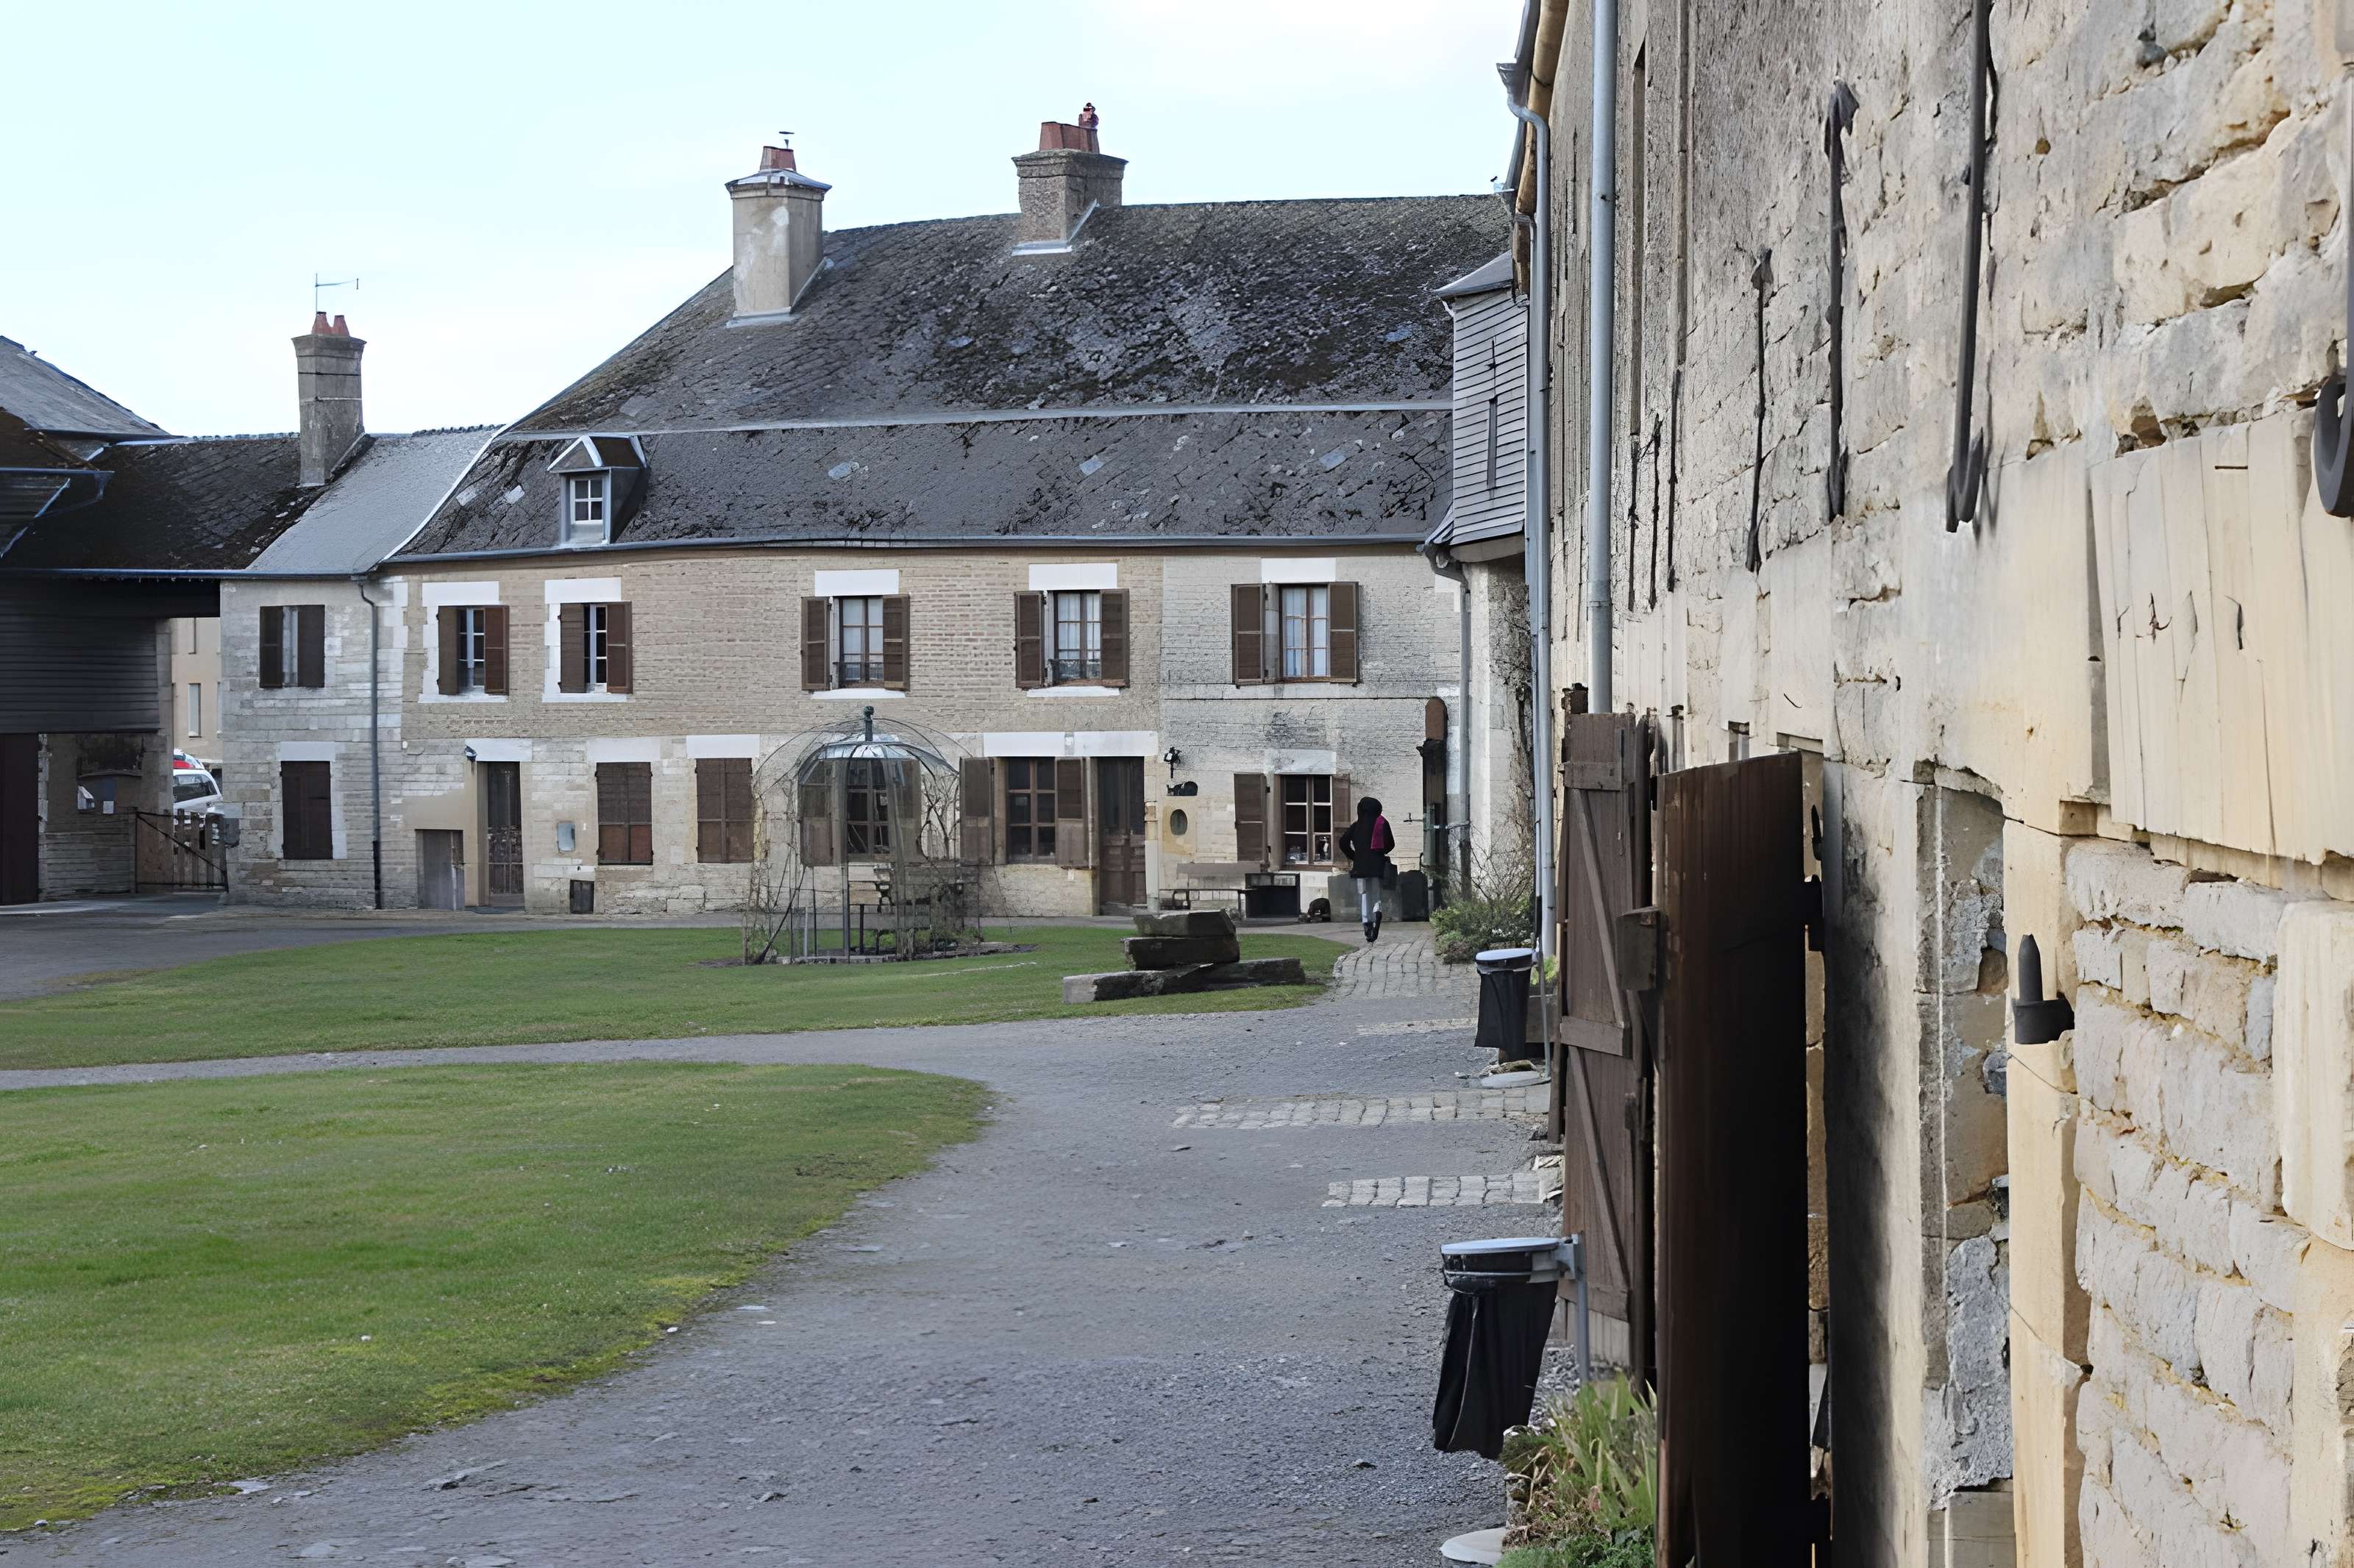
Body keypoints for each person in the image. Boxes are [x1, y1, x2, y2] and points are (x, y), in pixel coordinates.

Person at [1337, 795, 1395, 943]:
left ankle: (1367, 924)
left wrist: (1355, 856)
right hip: (1377, 865)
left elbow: (1343, 842)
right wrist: (1381, 852)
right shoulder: (1382, 823)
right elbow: (1391, 844)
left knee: (1364, 893)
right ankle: (1377, 912)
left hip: (1360, 865)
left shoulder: (1357, 825)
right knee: (1376, 892)